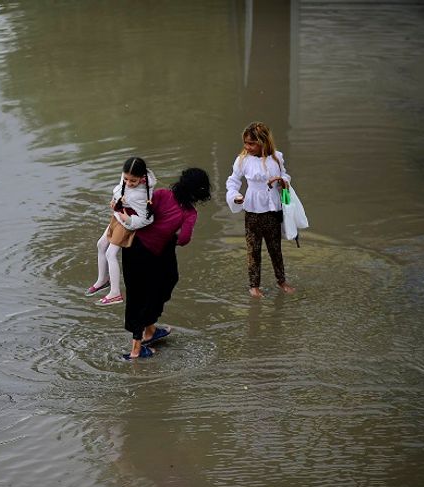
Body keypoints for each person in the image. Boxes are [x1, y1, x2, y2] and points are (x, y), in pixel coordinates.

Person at [122, 167, 211, 359]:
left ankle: (150, 330)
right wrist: (169, 237)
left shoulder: (162, 194)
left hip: (132, 248)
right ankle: (136, 349)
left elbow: (140, 210)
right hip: (154, 253)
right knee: (160, 286)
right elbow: (184, 239)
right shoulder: (190, 213)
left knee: (137, 293)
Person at [226, 121, 296, 298]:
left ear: (263, 142)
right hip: (252, 210)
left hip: (273, 210)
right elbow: (233, 181)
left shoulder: (277, 158)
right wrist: (235, 196)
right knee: (253, 250)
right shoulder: (242, 160)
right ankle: (254, 286)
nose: (247, 147)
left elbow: (285, 175)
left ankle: (281, 281)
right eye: (245, 143)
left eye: (251, 143)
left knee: (276, 249)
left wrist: (282, 180)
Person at [86, 157, 156, 306]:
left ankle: (115, 293)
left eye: (133, 181)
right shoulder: (127, 178)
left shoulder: (141, 195)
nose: (128, 183)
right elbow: (121, 189)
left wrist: (129, 220)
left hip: (126, 223)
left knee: (110, 254)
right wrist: (115, 201)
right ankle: (102, 280)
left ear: (142, 178)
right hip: (118, 217)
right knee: (101, 245)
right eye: (126, 179)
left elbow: (148, 219)